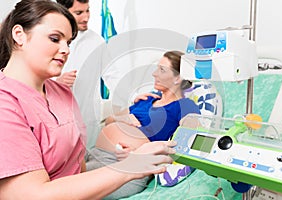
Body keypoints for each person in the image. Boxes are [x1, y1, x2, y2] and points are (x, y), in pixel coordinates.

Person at [0, 1, 176, 199]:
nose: (66, 50)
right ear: (19, 35)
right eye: (55, 38)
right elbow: (30, 195)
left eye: (69, 42)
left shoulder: (62, 93)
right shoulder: (5, 104)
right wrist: (130, 167)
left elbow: (78, 167)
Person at [85, 51, 200, 199]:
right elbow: (107, 121)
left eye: (162, 70)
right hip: (94, 152)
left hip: (124, 166)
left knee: (68, 189)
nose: (154, 74)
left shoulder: (185, 105)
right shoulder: (146, 99)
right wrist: (123, 117)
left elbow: (191, 137)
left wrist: (140, 155)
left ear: (178, 78)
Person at [56, 0, 104, 87]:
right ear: (63, 12)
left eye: (87, 11)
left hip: (88, 101)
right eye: (79, 13)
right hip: (54, 99)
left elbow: (113, 74)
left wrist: (132, 96)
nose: (86, 18)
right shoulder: (47, 40)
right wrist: (56, 82)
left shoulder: (96, 41)